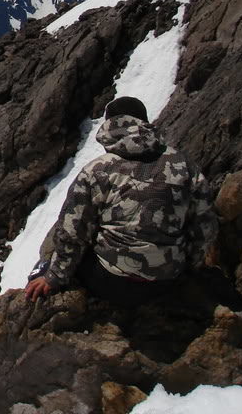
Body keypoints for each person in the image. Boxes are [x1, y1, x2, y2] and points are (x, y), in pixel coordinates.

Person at [24, 96, 218, 308]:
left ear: (109, 126)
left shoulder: (98, 170)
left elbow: (72, 231)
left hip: (111, 282)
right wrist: (188, 267)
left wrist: (54, 277)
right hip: (168, 282)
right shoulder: (184, 166)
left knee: (59, 237)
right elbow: (204, 226)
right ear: (144, 123)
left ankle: (43, 275)